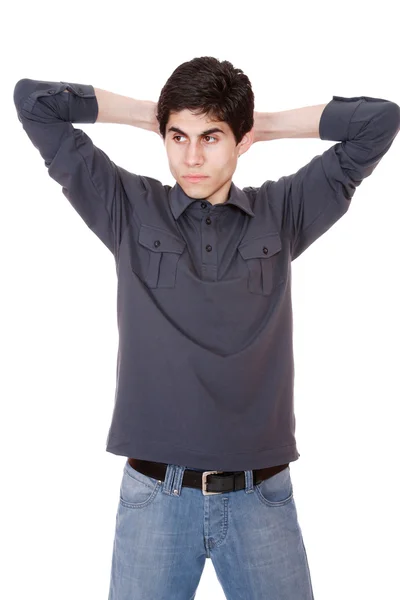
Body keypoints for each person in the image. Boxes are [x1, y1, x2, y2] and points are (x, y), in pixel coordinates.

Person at [13, 57, 400, 600]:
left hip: (261, 499)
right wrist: (153, 114)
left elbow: (379, 121)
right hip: (155, 499)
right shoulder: (127, 207)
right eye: (178, 136)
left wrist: (260, 125)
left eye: (211, 137)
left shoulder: (283, 210)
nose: (191, 157)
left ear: (239, 142)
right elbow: (35, 102)